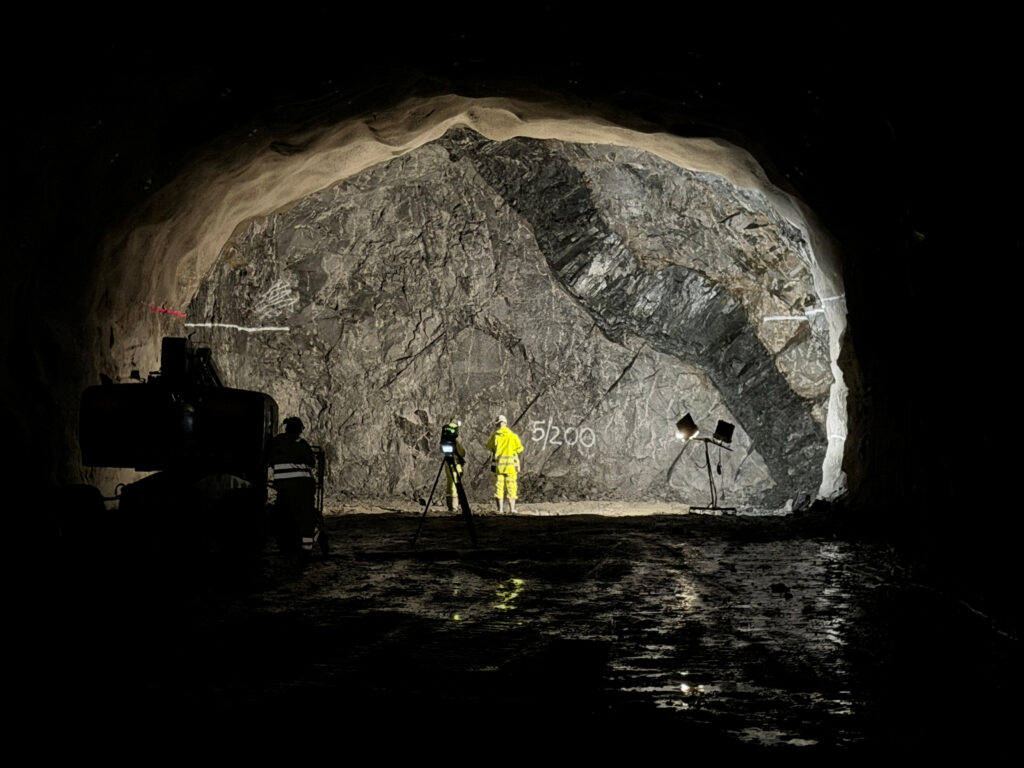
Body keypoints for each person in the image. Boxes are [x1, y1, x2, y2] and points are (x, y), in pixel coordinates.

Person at [268, 416, 325, 553]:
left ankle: (286, 546)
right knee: (305, 517)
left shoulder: (276, 442)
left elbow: (269, 461)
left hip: (283, 488)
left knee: (283, 516)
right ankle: (307, 548)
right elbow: (311, 463)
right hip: (303, 487)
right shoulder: (301, 443)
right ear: (299, 429)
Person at [485, 414, 523, 515]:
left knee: (499, 487)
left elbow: (488, 447)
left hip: (499, 467)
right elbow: (520, 449)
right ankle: (512, 509)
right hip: (511, 466)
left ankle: (500, 510)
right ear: (506, 423)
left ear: (497, 424)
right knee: (511, 486)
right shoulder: (513, 436)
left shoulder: (494, 436)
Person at [442, 418, 467, 513]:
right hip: (455, 464)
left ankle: (449, 505)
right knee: (454, 483)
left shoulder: (444, 440)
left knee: (449, 483)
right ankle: (454, 506)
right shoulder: (455, 441)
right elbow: (462, 453)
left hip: (447, 463)